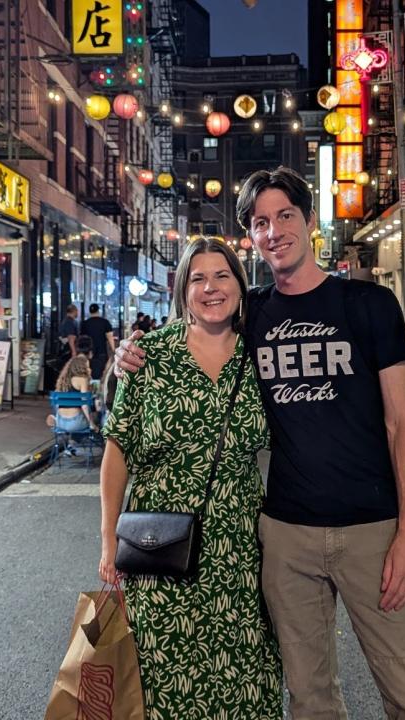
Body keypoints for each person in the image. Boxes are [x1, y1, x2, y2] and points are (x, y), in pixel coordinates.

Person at [116, 167, 405, 719]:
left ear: (310, 221)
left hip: (371, 529)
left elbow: (401, 425)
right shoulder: (253, 314)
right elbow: (197, 325)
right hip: (286, 536)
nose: (274, 231)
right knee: (310, 699)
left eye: (285, 216)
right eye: (261, 222)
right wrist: (130, 356)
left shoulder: (369, 306)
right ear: (252, 235)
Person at [99, 237, 282, 719]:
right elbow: (116, 450)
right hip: (159, 551)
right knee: (161, 686)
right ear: (183, 292)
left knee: (244, 680)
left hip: (240, 556)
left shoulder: (262, 357)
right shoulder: (149, 356)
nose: (210, 287)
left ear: (241, 287)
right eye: (197, 278)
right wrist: (106, 542)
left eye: (222, 275)